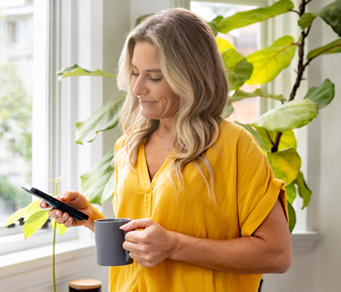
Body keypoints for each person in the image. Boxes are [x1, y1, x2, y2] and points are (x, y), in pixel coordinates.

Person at [41, 8, 292, 292]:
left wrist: (173, 246)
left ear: (191, 77)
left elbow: (277, 254)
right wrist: (89, 217)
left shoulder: (234, 145)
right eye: (134, 73)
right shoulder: (129, 145)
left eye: (154, 77)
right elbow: (140, 240)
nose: (137, 88)